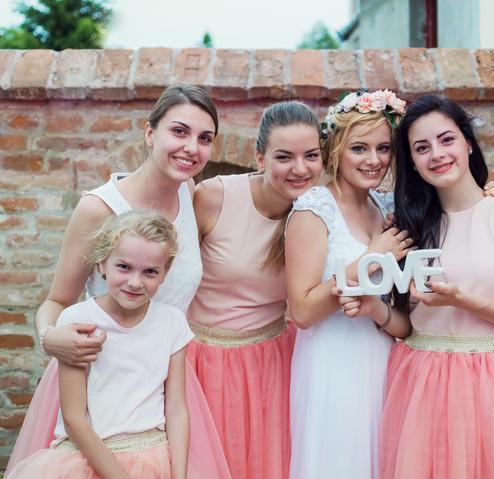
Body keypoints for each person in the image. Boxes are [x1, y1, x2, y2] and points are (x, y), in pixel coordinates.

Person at [8, 85, 230, 478]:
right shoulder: (99, 208)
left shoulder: (188, 190)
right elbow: (57, 300)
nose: (191, 148)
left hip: (163, 380)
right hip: (99, 382)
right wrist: (49, 337)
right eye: (179, 131)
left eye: (204, 138)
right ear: (150, 132)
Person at [380, 95, 494, 479]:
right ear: (412, 161)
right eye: (422, 148)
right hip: (421, 377)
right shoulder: (407, 226)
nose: (437, 154)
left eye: (446, 140)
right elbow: (404, 322)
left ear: (468, 143)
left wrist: (462, 300)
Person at [186, 101, 324, 478]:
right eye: (285, 157)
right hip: (205, 361)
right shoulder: (213, 197)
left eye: (311, 156)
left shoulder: (321, 211)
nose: (300, 169)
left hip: (275, 360)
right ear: (260, 158)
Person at [285, 90, 413, 478]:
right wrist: (371, 259)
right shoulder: (314, 209)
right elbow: (303, 311)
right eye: (360, 148)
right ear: (337, 149)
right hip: (332, 363)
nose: (373, 160)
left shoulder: (384, 208)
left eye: (383, 148)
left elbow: (402, 318)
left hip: (381, 359)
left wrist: (377, 310)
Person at [8, 211, 194, 478]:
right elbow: (74, 419)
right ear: (102, 263)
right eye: (124, 267)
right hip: (85, 460)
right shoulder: (78, 320)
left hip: (153, 459)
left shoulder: (172, 323)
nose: (135, 282)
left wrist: (180, 475)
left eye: (150, 272)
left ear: (165, 273)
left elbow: (176, 410)